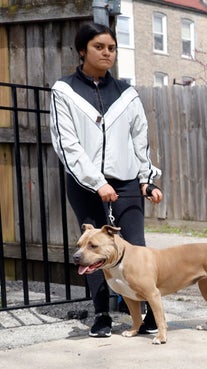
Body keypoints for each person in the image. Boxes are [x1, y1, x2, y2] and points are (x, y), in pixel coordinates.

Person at [50, 22, 164, 339]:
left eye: (111, 48)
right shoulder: (64, 91)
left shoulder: (126, 94)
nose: (107, 53)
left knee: (136, 250)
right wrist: (97, 181)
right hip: (86, 185)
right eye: (99, 47)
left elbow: (140, 138)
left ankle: (143, 316)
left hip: (127, 183)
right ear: (83, 50)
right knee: (93, 251)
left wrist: (146, 179)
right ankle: (101, 315)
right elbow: (66, 143)